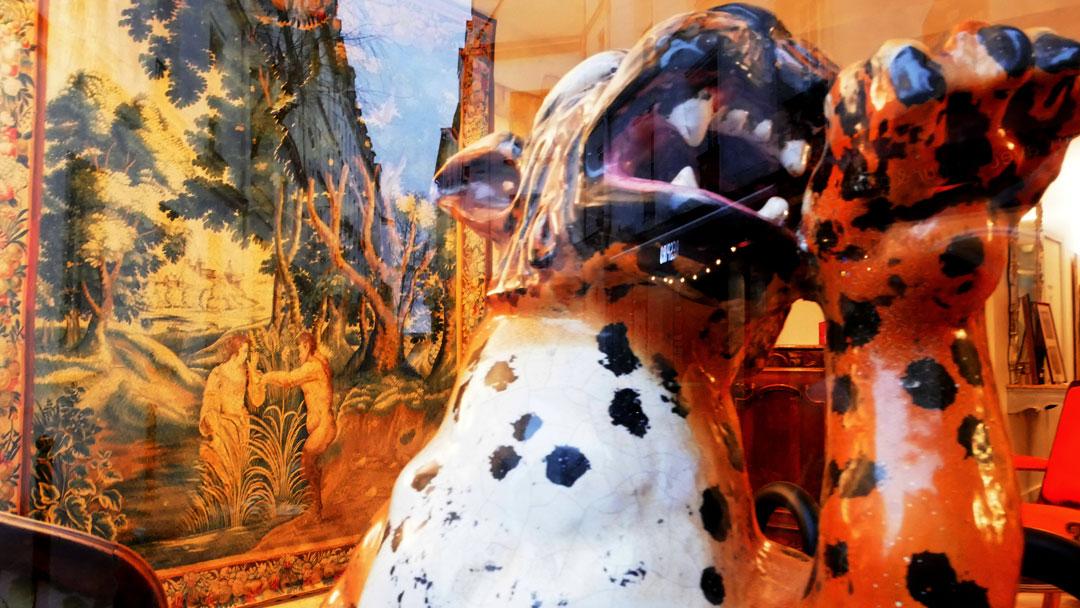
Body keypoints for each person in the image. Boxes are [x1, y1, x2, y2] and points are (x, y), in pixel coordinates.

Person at [253, 332, 335, 517]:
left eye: (299, 350)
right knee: (310, 466)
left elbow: (289, 380)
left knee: (306, 462)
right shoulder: (317, 363)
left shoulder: (313, 367)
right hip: (320, 426)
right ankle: (318, 508)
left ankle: (317, 508)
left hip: (324, 426)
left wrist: (266, 378)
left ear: (306, 346)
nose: (298, 355)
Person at [198, 334, 260, 526]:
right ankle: (223, 514)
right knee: (223, 468)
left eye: (247, 352)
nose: (246, 356)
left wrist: (254, 373)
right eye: (244, 352)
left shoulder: (246, 371)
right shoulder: (219, 373)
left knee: (238, 471)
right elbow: (210, 400)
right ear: (235, 352)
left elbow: (257, 400)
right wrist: (214, 423)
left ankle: (237, 514)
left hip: (241, 426)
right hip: (223, 426)